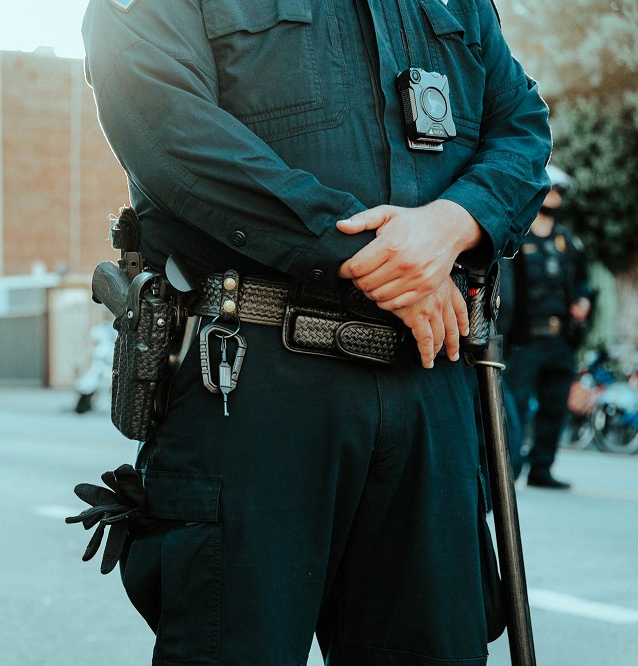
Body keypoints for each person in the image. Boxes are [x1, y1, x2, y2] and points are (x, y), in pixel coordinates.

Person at [77, 1, 551, 664]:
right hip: (251, 381)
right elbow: (168, 131)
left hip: (432, 379)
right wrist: (371, 256)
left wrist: (452, 223)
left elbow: (523, 129)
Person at [503, 165, 591, 489]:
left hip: (560, 340)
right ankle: (509, 469)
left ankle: (542, 469)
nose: (553, 197)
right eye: (549, 190)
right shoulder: (517, 236)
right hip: (526, 340)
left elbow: (583, 283)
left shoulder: (568, 240)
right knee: (518, 406)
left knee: (555, 406)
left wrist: (584, 303)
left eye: (558, 192)